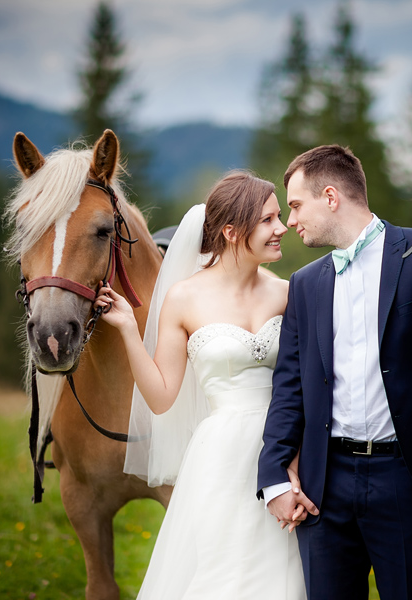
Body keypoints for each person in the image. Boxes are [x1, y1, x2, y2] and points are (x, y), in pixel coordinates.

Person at [257, 146, 412, 599]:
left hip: (407, 480)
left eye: (295, 205)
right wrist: (273, 478)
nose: (290, 221)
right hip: (324, 487)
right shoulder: (305, 285)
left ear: (330, 196)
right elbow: (289, 387)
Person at [95, 170, 307, 599]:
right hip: (222, 459)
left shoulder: (289, 292)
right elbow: (160, 397)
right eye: (268, 220)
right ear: (231, 231)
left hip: (286, 449)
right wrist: (127, 331)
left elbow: (307, 386)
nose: (281, 228)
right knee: (221, 574)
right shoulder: (183, 298)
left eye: (280, 217)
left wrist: (298, 464)